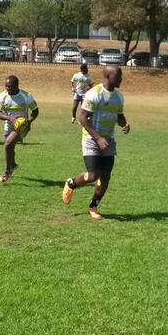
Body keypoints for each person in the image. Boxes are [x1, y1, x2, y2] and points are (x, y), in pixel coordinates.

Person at [61, 66, 130, 220]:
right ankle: (71, 183)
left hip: (108, 140)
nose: (121, 79)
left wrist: (124, 124)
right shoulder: (94, 94)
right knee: (93, 175)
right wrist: (98, 138)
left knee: (105, 177)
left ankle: (93, 206)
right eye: (118, 76)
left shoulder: (119, 96)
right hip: (91, 138)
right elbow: (83, 118)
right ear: (108, 76)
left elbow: (119, 115)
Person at [0, 75, 38, 182]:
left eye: (10, 86)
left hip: (21, 127)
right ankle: (12, 165)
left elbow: (35, 111)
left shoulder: (26, 96)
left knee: (8, 144)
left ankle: (7, 171)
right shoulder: (2, 96)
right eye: (6, 86)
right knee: (9, 147)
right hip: (8, 126)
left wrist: (28, 122)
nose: (7, 88)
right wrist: (10, 118)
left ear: (16, 85)